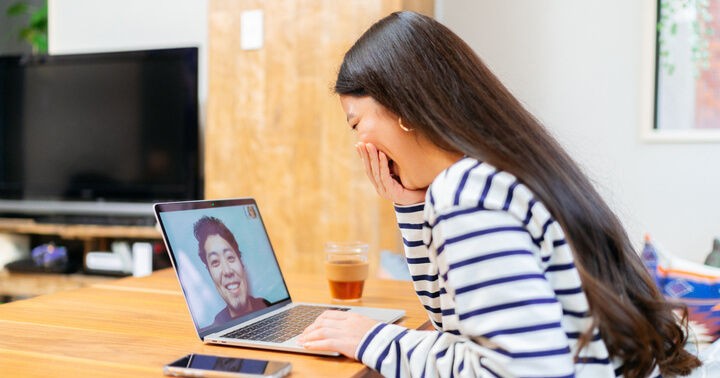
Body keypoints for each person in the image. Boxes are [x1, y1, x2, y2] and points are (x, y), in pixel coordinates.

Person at [297, 11, 702, 378]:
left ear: (401, 106)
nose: (358, 145)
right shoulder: (498, 171)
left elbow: (521, 371)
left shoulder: (466, 193)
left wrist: (376, 341)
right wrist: (411, 205)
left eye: (355, 124)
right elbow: (461, 328)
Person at [193, 215, 270, 329]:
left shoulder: (268, 306)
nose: (227, 271)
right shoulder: (212, 331)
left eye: (230, 257)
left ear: (241, 263)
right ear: (210, 274)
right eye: (215, 262)